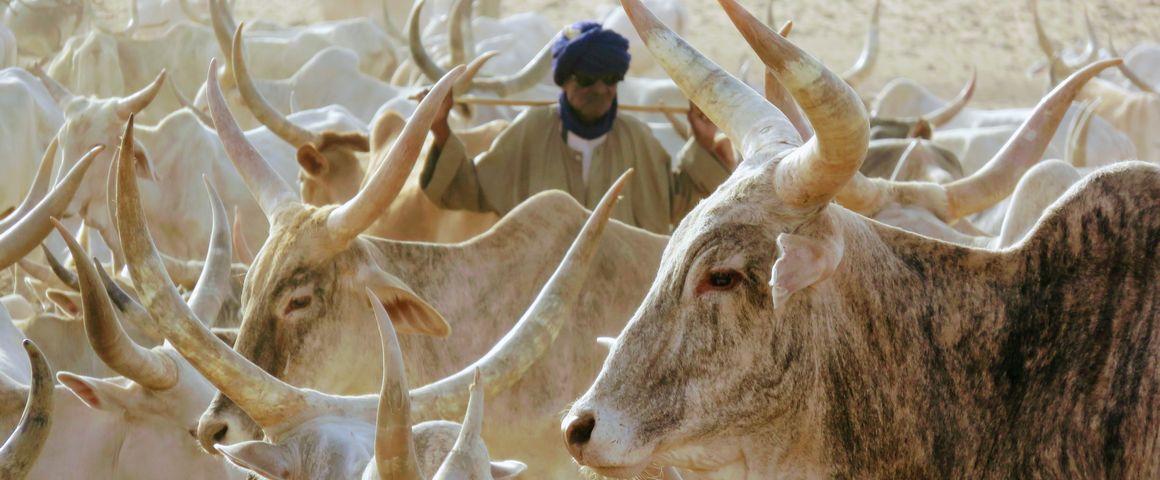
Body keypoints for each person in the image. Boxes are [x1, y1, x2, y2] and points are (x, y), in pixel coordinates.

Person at [420, 21, 734, 234]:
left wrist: (702, 143)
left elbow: (682, 204)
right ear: (565, 81)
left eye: (610, 79)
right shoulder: (530, 132)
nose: (600, 89)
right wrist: (440, 129)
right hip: (540, 302)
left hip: (621, 307)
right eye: (586, 79)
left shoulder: (637, 139)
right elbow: (466, 190)